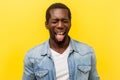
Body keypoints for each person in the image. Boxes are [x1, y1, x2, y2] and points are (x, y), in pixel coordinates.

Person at [22, 3, 100, 80]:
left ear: (70, 23)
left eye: (65, 21)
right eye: (55, 21)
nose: (60, 25)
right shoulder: (32, 56)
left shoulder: (87, 52)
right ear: (46, 24)